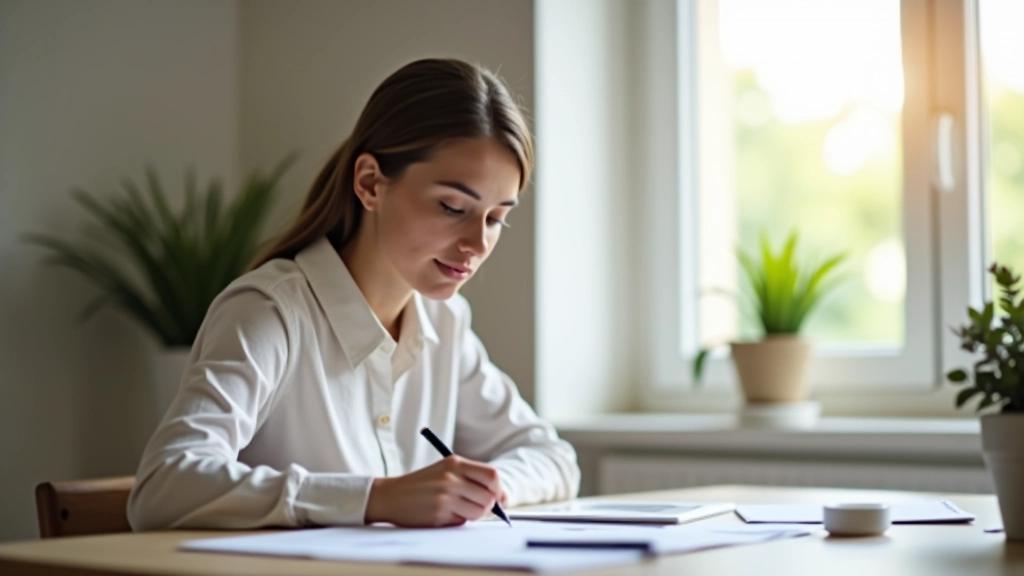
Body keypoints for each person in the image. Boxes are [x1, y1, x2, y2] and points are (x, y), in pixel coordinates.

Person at [126, 58, 580, 530]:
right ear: (369, 184)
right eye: (452, 207)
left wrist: (479, 491)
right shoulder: (270, 313)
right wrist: (374, 498)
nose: (477, 244)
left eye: (495, 218)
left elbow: (553, 459)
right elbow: (163, 486)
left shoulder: (445, 322)